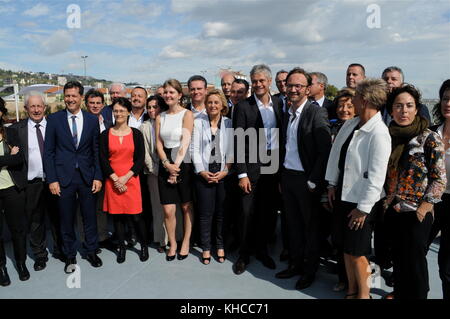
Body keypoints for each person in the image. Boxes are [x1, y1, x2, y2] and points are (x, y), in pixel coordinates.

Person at [325, 79, 391, 299]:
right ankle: (352, 291)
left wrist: (363, 209)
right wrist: (331, 183)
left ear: (364, 100)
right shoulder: (352, 124)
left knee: (358, 252)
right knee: (345, 247)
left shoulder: (379, 133)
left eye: (355, 97)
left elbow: (377, 177)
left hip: (362, 201)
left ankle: (364, 295)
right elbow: (337, 156)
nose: (351, 101)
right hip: (343, 194)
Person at [383, 84, 446, 299]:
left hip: (418, 211)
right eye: (398, 106)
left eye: (409, 106)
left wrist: (425, 207)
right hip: (393, 208)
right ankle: (400, 293)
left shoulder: (429, 137)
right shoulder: (389, 136)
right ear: (391, 110)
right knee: (399, 258)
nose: (404, 111)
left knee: (416, 262)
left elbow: (439, 178)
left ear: (417, 109)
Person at [275, 68, 331, 290]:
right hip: (288, 178)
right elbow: (286, 148)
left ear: (308, 89)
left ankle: (309, 272)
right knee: (292, 226)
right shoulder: (288, 113)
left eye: (298, 85)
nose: (293, 89)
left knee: (310, 229)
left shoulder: (316, 113)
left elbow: (324, 151)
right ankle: (295, 265)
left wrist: (313, 181)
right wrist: (282, 177)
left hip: (306, 181)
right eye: (290, 85)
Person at [44, 81, 103, 273]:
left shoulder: (92, 120)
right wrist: (52, 179)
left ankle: (91, 250)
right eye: (67, 96)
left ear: (80, 97)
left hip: (87, 177)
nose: (70, 99)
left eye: (73, 96)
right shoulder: (54, 120)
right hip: (63, 178)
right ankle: (69, 255)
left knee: (89, 217)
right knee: (66, 219)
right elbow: (49, 152)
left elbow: (96, 151)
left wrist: (97, 176)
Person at [232, 64, 283, 275]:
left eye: (262, 80)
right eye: (255, 81)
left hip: (274, 166)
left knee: (267, 211)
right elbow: (238, 142)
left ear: (269, 82)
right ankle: (244, 254)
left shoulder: (280, 104)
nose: (258, 84)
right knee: (246, 212)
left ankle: (262, 250)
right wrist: (242, 174)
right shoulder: (243, 106)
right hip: (251, 166)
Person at [10, 92, 63, 272]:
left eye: (39, 106)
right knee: (35, 221)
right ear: (25, 109)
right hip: (31, 183)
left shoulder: (56, 126)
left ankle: (60, 249)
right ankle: (40, 255)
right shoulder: (17, 129)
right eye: (32, 106)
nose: (36, 109)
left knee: (58, 218)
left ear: (45, 107)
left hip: (54, 180)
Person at [100, 97, 148, 263]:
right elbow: (103, 159)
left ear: (128, 112)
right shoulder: (105, 134)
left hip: (131, 180)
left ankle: (143, 246)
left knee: (136, 216)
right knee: (118, 218)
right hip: (112, 181)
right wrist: (115, 179)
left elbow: (140, 159)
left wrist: (126, 178)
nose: (118, 113)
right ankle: (121, 247)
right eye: (116, 110)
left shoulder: (136, 134)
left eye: (121, 110)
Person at [192, 89, 233, 264]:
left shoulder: (229, 123)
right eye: (209, 102)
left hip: (223, 174)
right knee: (205, 213)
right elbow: (193, 150)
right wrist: (202, 171)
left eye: (216, 102)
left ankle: (220, 245)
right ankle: (206, 247)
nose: (213, 105)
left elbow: (232, 150)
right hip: (204, 175)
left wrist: (226, 171)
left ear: (222, 105)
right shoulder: (198, 123)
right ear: (206, 105)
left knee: (221, 213)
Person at [155, 79, 194, 261]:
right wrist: (166, 164)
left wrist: (175, 168)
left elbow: (185, 142)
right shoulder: (160, 117)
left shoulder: (187, 114)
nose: (168, 95)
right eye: (166, 92)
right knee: (168, 210)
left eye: (172, 92)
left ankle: (185, 242)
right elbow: (158, 144)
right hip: (165, 164)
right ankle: (173, 243)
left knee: (186, 206)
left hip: (182, 162)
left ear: (179, 95)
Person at [140, 95, 183, 253]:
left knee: (174, 207)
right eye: (149, 107)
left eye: (155, 107)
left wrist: (173, 168)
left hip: (173, 170)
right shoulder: (144, 127)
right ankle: (162, 240)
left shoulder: (169, 122)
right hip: (154, 172)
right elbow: (145, 153)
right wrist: (156, 170)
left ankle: (178, 237)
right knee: (158, 207)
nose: (151, 110)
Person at [323, 87, 356, 292]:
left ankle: (358, 285)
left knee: (355, 245)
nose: (344, 109)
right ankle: (343, 277)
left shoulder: (361, 130)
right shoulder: (332, 128)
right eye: (341, 105)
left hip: (354, 193)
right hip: (333, 189)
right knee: (337, 237)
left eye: (350, 106)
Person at [0, 97, 29, 286]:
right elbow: (11, 158)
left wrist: (7, 159)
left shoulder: (10, 133)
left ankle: (20, 263)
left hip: (11, 188)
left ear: (1, 112)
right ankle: (1, 267)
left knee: (17, 229)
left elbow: (19, 159)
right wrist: (6, 158)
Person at [430, 79, 450, 299]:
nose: (448, 103)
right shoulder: (432, 133)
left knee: (447, 267)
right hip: (432, 202)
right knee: (415, 250)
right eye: (445, 98)